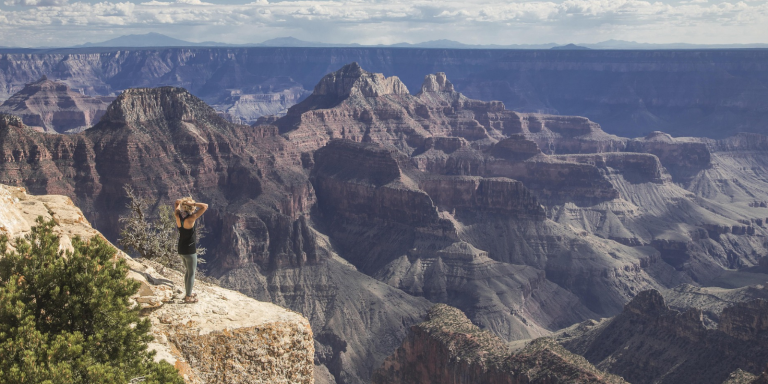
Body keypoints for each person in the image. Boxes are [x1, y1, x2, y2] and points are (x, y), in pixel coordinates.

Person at [174, 197, 208, 304]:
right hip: (189, 250)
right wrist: (193, 203)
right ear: (191, 208)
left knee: (187, 272)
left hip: (181, 249)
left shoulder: (178, 216)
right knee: (192, 273)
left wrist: (181, 203)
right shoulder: (191, 218)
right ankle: (188, 297)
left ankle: (188, 292)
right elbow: (205, 206)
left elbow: (176, 203)